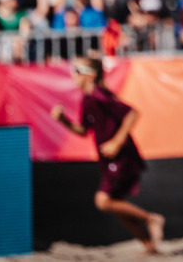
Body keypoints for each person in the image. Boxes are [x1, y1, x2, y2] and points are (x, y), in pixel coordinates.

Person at [50, 54, 164, 255]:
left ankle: (151, 219)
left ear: (91, 75)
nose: (73, 75)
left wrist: (116, 142)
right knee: (114, 203)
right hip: (109, 158)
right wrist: (63, 120)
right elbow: (84, 130)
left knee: (103, 201)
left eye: (77, 70)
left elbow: (132, 113)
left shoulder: (98, 95)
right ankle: (148, 245)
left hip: (121, 155)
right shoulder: (87, 98)